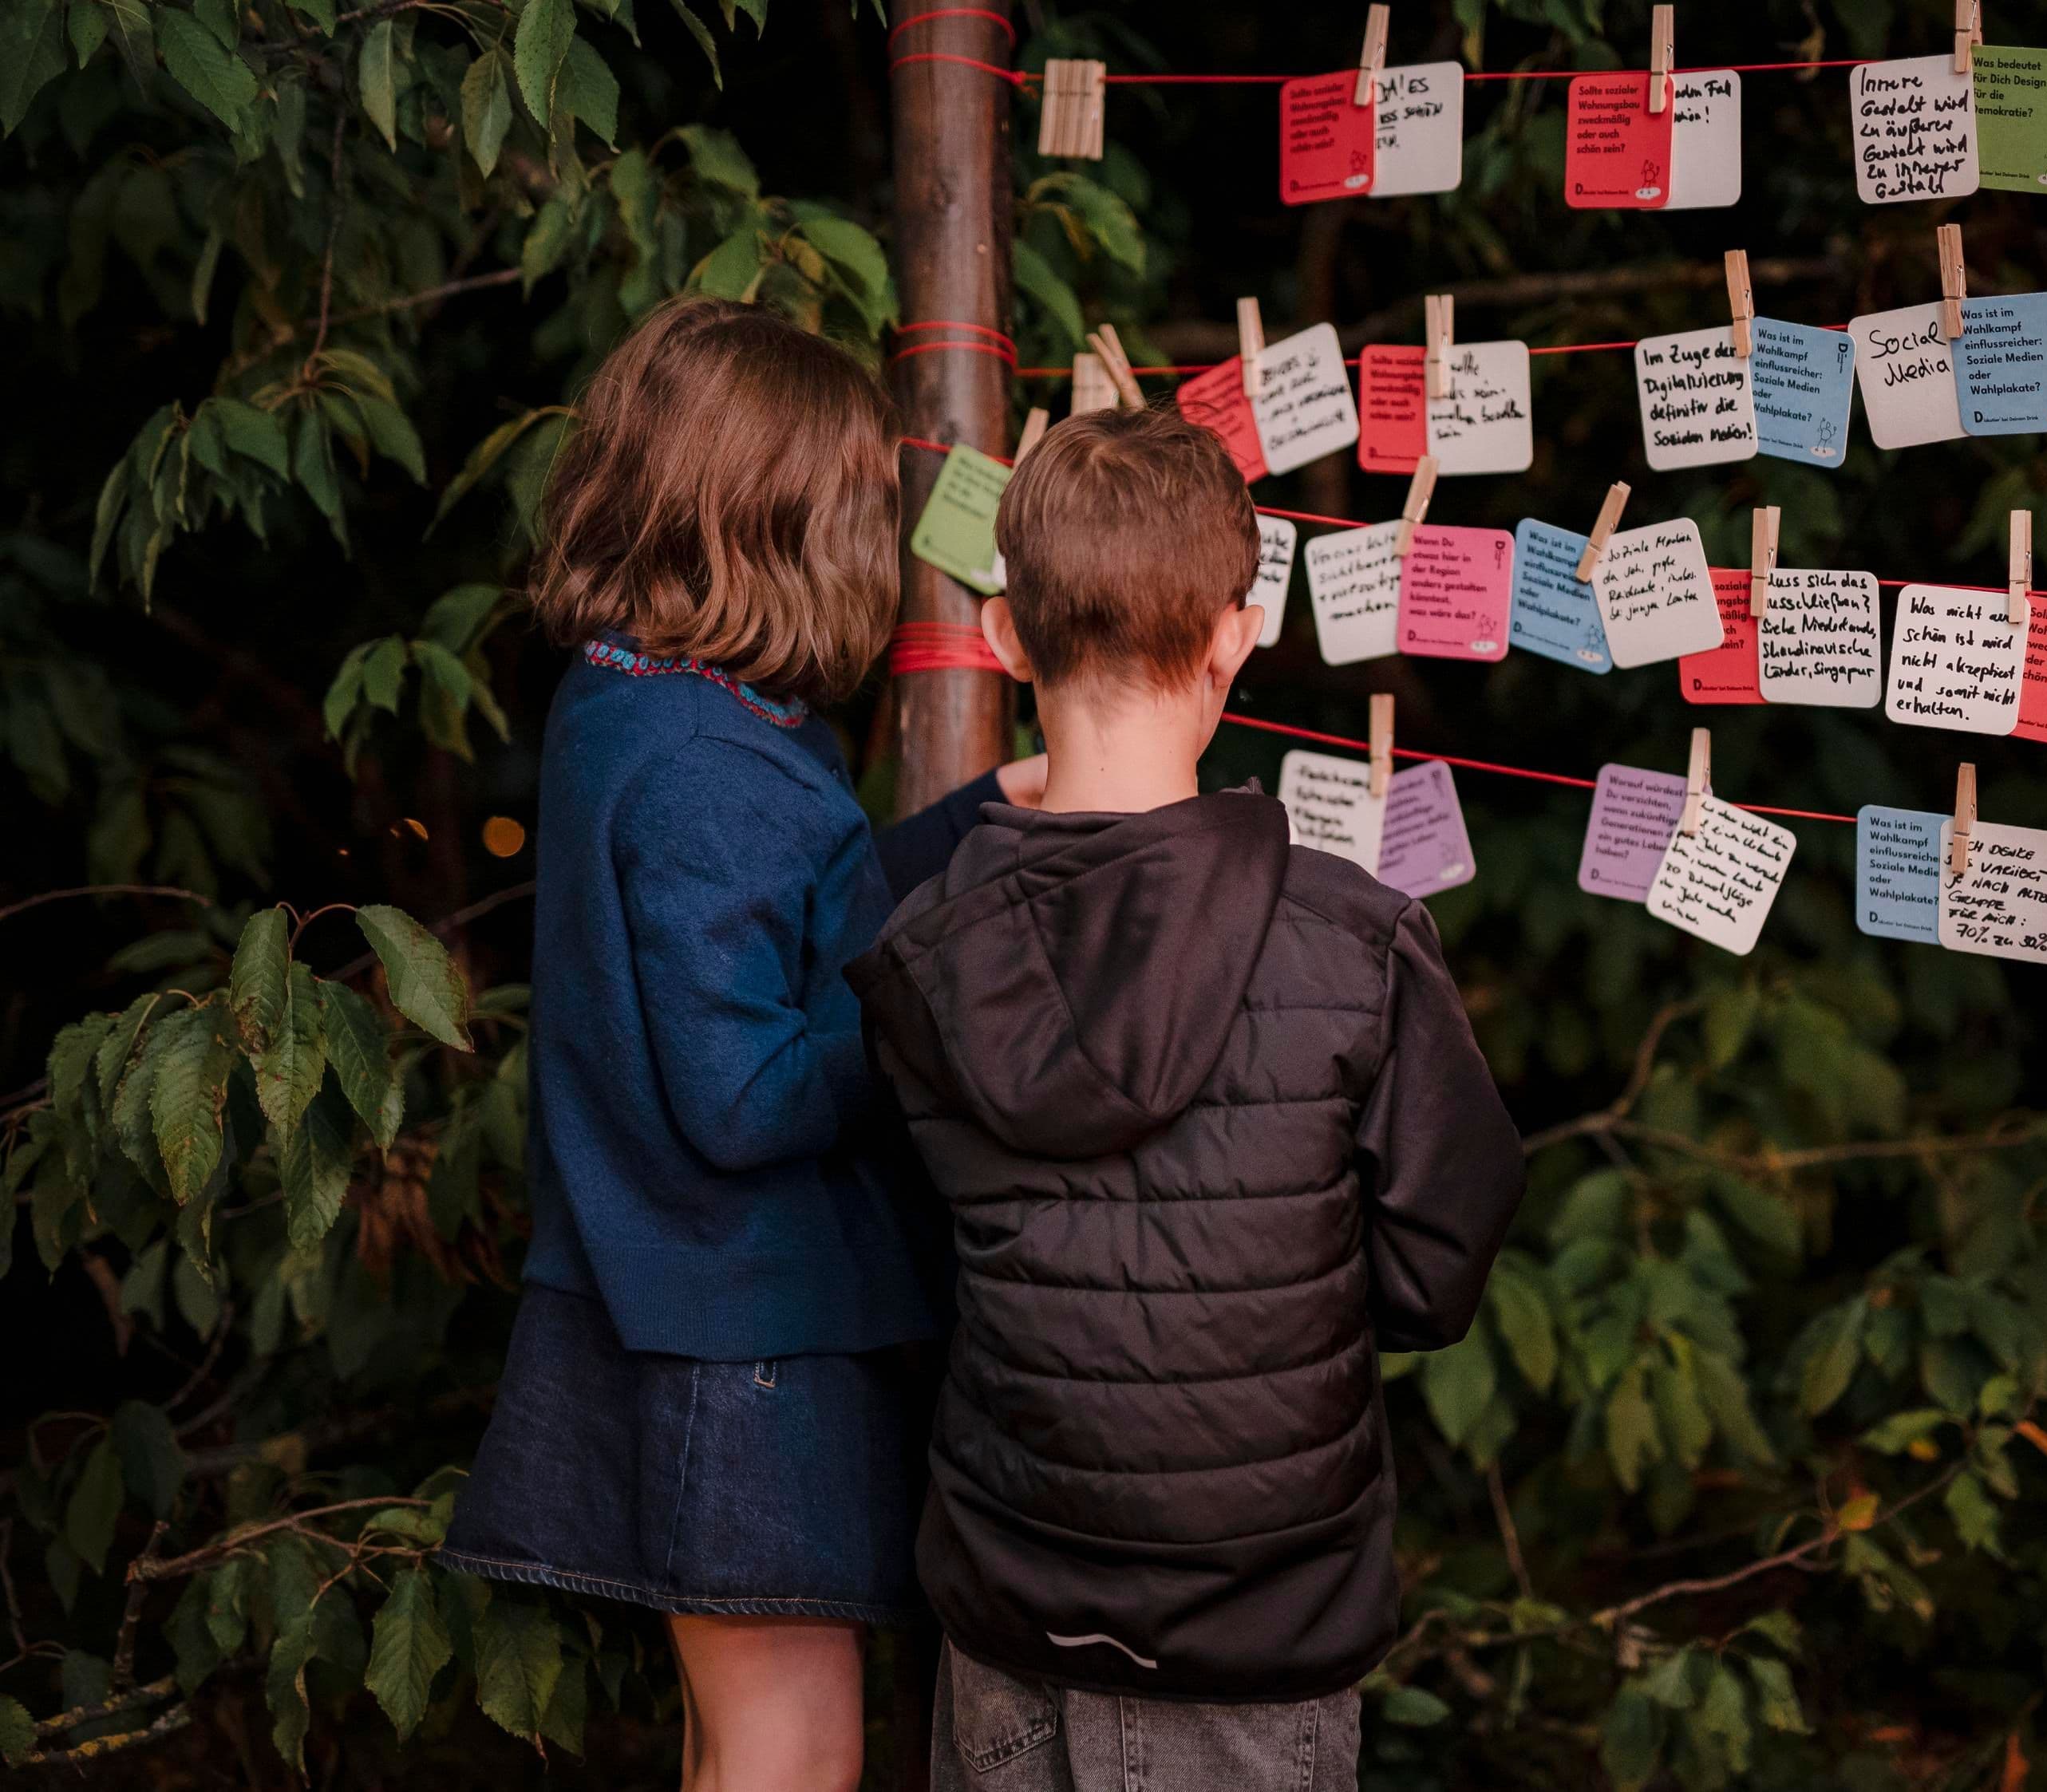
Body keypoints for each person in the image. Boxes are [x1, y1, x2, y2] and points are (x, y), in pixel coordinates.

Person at [844, 406, 1524, 1791]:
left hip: (1011, 1607)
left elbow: (922, 1265)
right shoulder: (1360, 941)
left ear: (1006, 638)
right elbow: (1438, 1269)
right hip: (1258, 1623)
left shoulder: (921, 955)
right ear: (1235, 634)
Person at [439, 297, 1036, 1792]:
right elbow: (744, 1091)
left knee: (735, 1746)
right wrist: (931, 1014)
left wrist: (975, 827)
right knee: (789, 1751)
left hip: (693, 1309)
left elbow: (797, 914)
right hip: (746, 1334)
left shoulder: (636, 706)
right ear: (788, 521)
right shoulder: (714, 768)